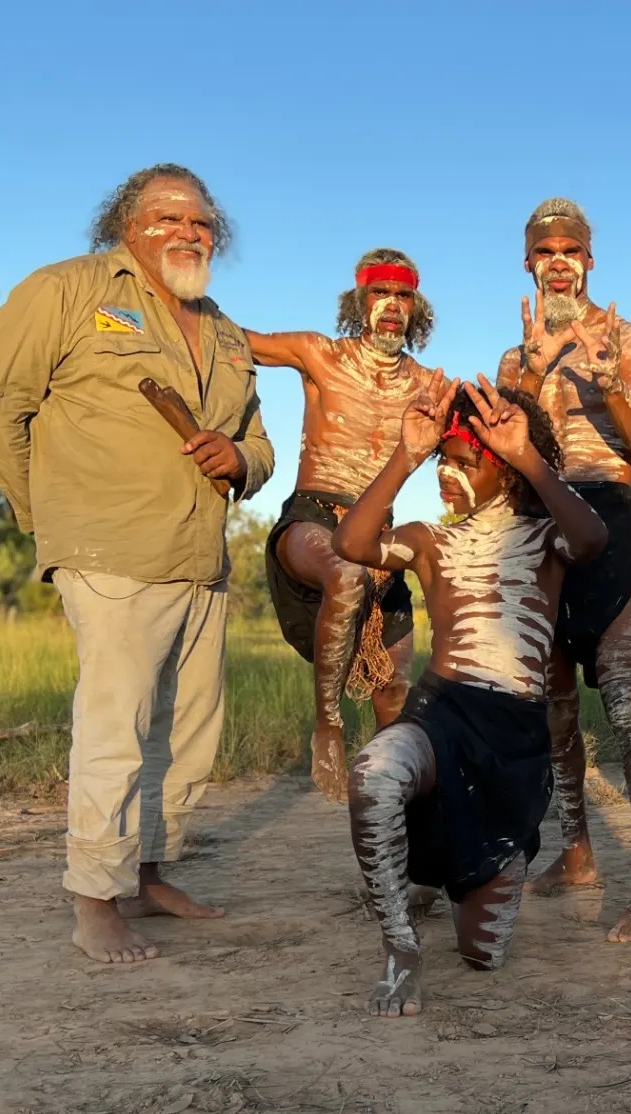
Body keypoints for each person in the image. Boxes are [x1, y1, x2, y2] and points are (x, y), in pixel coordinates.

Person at [0, 163, 273, 964]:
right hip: (110, 550)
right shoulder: (69, 291)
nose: (187, 232)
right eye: (166, 217)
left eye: (200, 221)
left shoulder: (224, 329)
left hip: (200, 559)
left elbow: (262, 444)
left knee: (187, 732)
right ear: (127, 226)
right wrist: (44, 509)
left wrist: (240, 458)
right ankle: (94, 898)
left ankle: (146, 875)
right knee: (117, 729)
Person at [334, 375, 607, 1016]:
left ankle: (481, 869)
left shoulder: (547, 541)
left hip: (512, 741)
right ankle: (400, 948)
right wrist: (408, 454)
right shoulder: (433, 540)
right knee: (374, 773)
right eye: (444, 463)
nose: (447, 476)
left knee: (483, 956)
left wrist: (526, 455)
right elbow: (351, 543)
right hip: (442, 712)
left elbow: (594, 538)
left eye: (464, 463)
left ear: (507, 468)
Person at [495, 198, 631, 942]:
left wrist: (607, 387)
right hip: (538, 518)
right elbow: (508, 445)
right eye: (545, 250)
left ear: (590, 259)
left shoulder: (625, 337)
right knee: (555, 700)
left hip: (607, 510)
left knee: (626, 696)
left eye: (571, 248)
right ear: (529, 263)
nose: (558, 260)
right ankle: (575, 853)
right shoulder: (516, 354)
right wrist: (533, 379)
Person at [245, 251, 436, 800]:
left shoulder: (425, 385)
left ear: (416, 308)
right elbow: (236, 338)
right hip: (312, 519)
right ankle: (328, 723)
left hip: (377, 534)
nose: (392, 307)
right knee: (345, 572)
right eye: (380, 294)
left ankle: (396, 834)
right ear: (360, 302)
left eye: (402, 297)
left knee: (397, 693)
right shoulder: (319, 354)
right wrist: (159, 302)